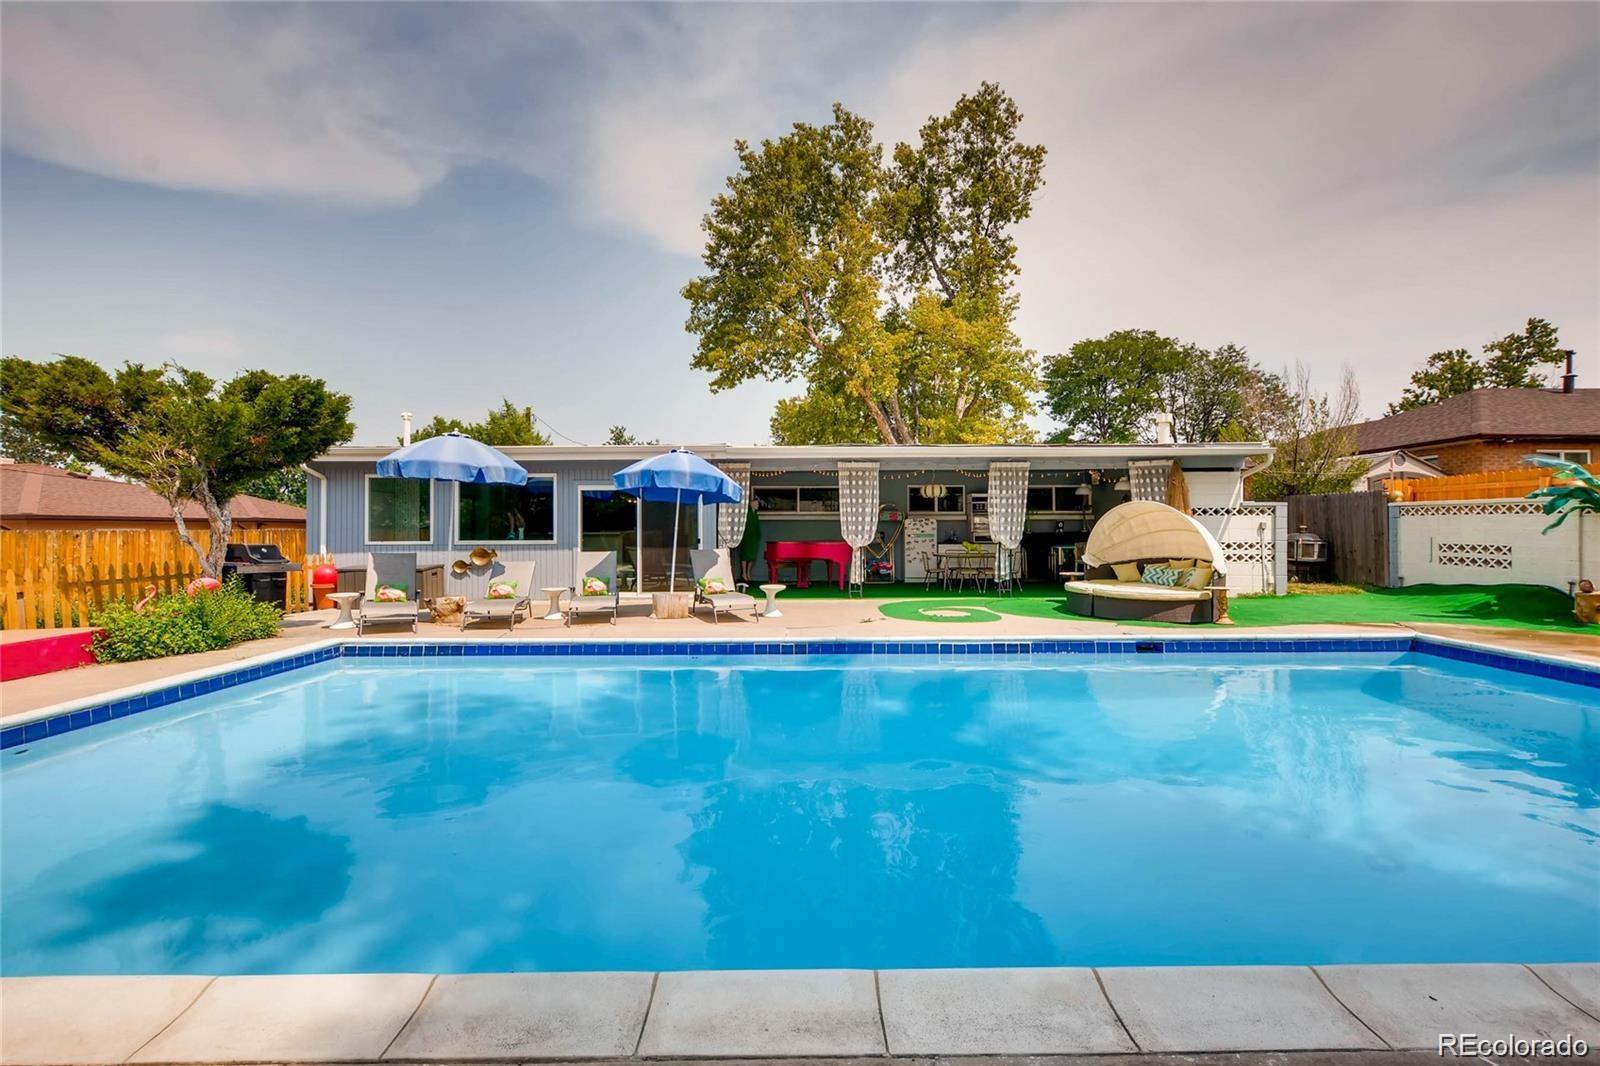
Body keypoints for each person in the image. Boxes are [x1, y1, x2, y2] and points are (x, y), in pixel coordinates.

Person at [737, 502, 762, 584]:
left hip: (753, 538)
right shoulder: (747, 513)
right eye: (756, 504)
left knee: (752, 556)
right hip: (746, 536)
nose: (757, 506)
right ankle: (744, 573)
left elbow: (757, 526)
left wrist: (758, 535)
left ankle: (748, 572)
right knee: (745, 555)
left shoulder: (755, 515)